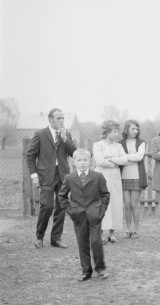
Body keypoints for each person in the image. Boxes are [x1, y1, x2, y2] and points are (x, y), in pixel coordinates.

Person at [27, 108, 77, 249]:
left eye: (62, 118)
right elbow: (31, 156)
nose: (61, 121)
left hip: (63, 175)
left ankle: (56, 238)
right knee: (47, 206)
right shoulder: (40, 134)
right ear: (50, 119)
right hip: (46, 175)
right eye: (58, 118)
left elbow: (74, 153)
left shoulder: (66, 134)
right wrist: (34, 175)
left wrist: (65, 139)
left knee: (61, 207)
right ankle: (39, 236)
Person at [58, 148, 110, 281]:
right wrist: (71, 211)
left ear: (90, 161)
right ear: (73, 162)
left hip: (95, 214)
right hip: (78, 215)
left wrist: (101, 211)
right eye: (79, 160)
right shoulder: (69, 178)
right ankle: (86, 270)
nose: (82, 163)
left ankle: (100, 268)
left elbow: (105, 195)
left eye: (85, 160)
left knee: (96, 242)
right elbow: (62, 196)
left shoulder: (98, 176)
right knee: (82, 243)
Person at [93, 120, 129, 243]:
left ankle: (112, 233)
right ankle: (103, 234)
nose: (117, 133)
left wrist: (112, 159)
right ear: (107, 132)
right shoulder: (98, 145)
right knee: (103, 202)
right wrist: (115, 161)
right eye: (114, 131)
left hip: (115, 177)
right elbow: (100, 161)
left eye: (117, 131)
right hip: (102, 177)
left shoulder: (118, 146)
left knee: (115, 202)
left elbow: (124, 159)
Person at [119, 119, 147, 238]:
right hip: (123, 176)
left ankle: (135, 229)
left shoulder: (141, 142)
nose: (135, 131)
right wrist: (130, 158)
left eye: (137, 129)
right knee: (127, 204)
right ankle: (128, 229)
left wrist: (126, 159)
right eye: (132, 129)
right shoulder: (120, 143)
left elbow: (140, 157)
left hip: (136, 176)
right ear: (127, 129)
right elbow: (119, 158)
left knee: (135, 204)